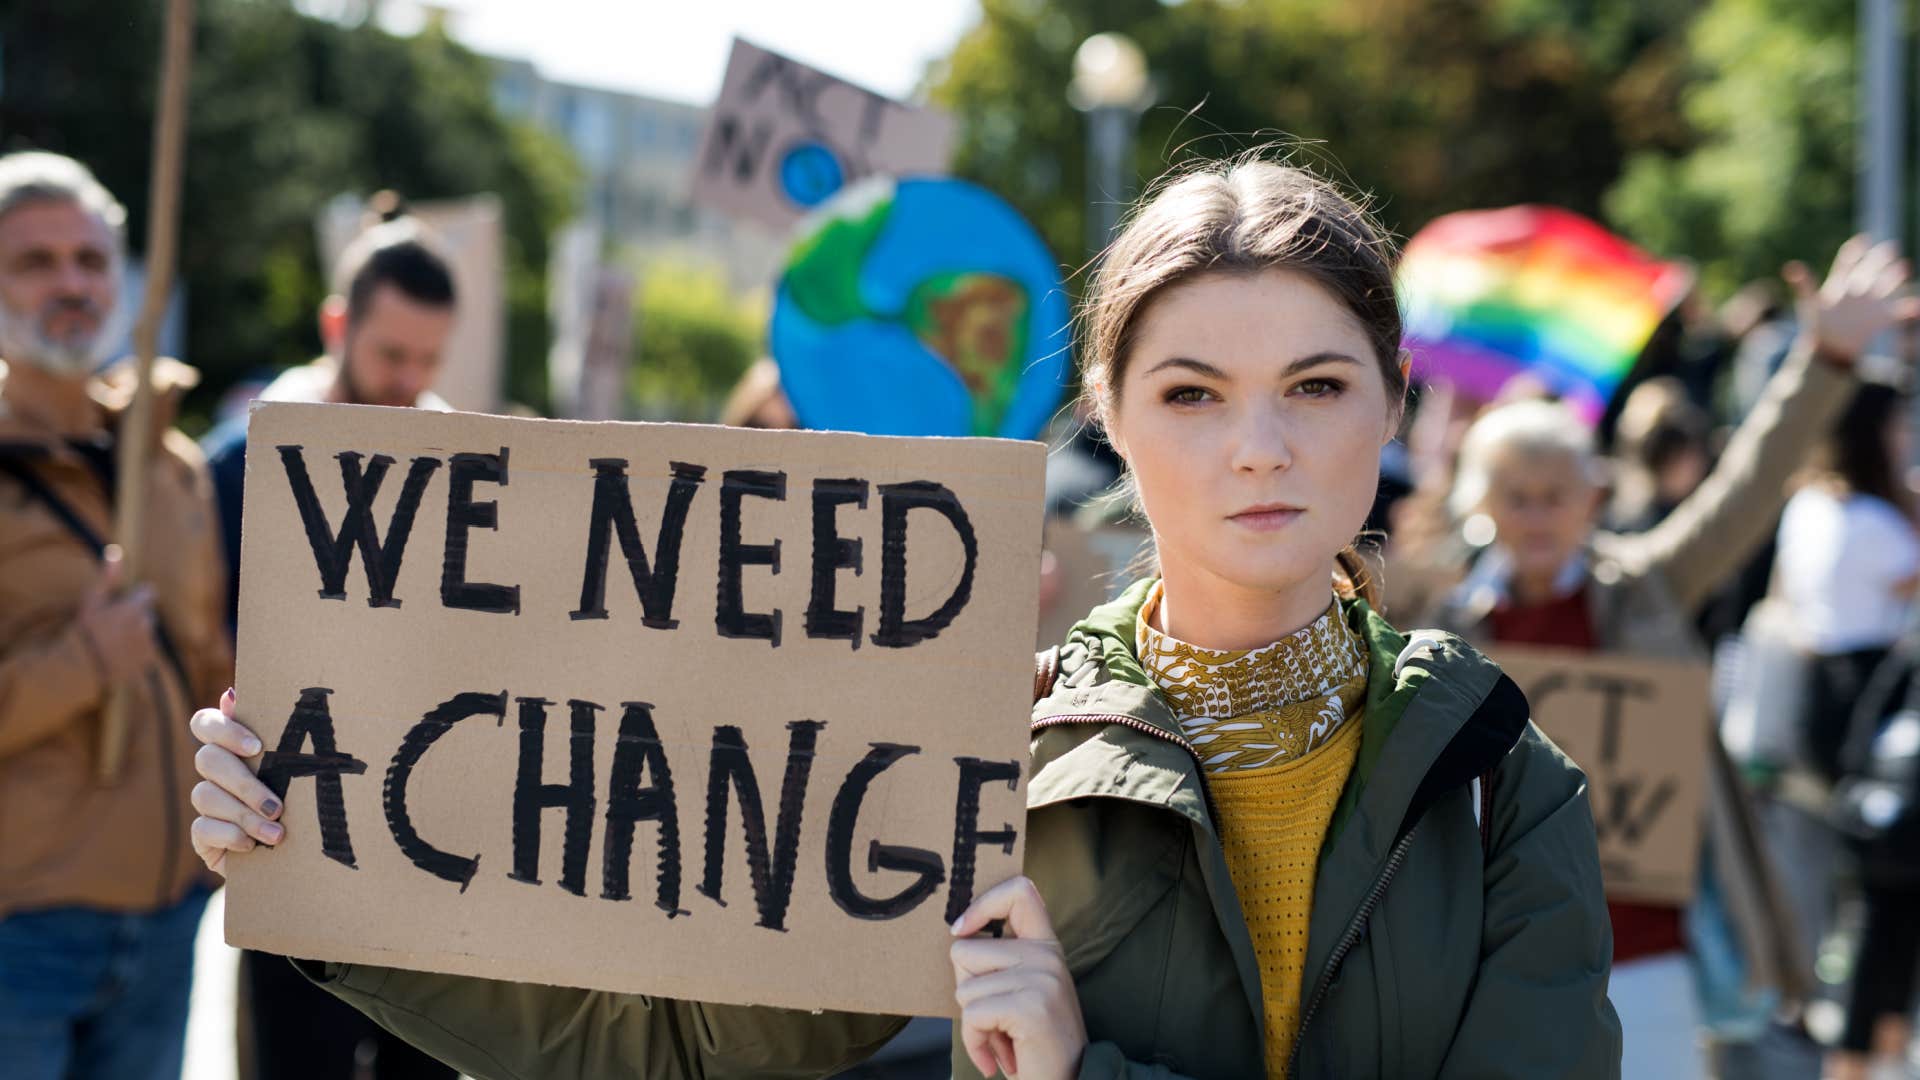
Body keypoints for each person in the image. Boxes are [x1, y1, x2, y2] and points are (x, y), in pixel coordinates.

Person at [186, 157, 1621, 1078]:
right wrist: (332, 870)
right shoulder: (982, 733)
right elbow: (676, 1047)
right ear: (1110, 421)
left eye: (1316, 385)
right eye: (1191, 391)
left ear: (1392, 403)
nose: (1260, 446)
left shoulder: (1497, 785)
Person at [1432, 234, 1915, 1079]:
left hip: (1646, 946)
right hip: (1494, 944)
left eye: (1557, 495)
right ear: (1482, 505)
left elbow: (1749, 488)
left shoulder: (1646, 586)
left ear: (1595, 499)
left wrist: (1827, 355)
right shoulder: (1442, 625)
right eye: (1517, 496)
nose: (1539, 515)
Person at [198, 212, 458, 1080]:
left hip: (425, 872)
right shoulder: (240, 466)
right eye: (392, 356)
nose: (410, 382)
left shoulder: (462, 470)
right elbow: (205, 643)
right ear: (337, 326)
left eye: (429, 361)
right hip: (288, 857)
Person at [0, 151, 231, 1080]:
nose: (71, 284)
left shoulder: (170, 460)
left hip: (170, 919)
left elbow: (210, 653)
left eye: (91, 261)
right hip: (22, 931)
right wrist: (84, 661)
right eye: (36, 261)